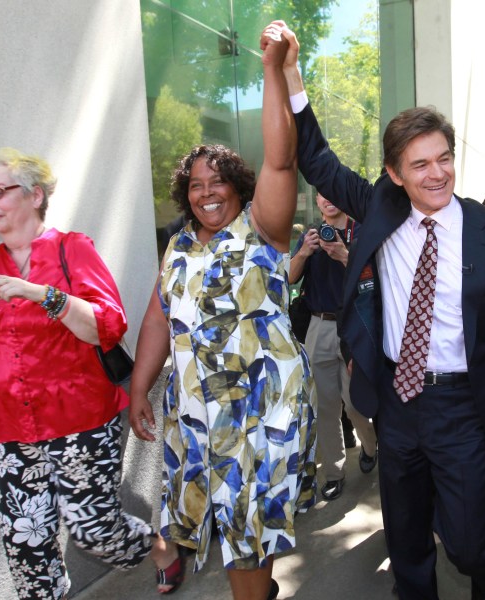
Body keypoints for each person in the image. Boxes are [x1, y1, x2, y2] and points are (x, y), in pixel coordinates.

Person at [282, 26, 485, 600]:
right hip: (397, 402)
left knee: (467, 542)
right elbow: (317, 160)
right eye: (419, 165)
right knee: (407, 539)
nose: (436, 174)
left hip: (463, 404)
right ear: (394, 174)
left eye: (444, 159)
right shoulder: (381, 209)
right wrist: (292, 78)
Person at [128, 22, 315, 600]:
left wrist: (271, 69)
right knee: (228, 521)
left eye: (218, 181)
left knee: (245, 529)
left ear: (237, 185)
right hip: (196, 413)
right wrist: (139, 388)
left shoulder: (262, 230)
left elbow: (282, 162)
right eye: (195, 184)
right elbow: (160, 317)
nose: (207, 192)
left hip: (261, 407)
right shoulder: (179, 247)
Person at [0, 147, 157, 600]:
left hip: (80, 420)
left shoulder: (71, 249)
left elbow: (106, 327)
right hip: (13, 432)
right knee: (27, 547)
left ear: (35, 195)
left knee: (94, 532)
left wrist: (39, 294)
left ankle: (157, 546)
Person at [289, 192, 378, 501]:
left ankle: (369, 445)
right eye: (322, 195)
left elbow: (376, 277)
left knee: (354, 404)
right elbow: (289, 277)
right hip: (319, 324)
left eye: (333, 193)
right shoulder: (310, 234)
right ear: (317, 199)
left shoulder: (362, 231)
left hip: (354, 325)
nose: (328, 200)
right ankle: (335, 472)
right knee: (325, 407)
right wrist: (304, 253)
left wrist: (344, 253)